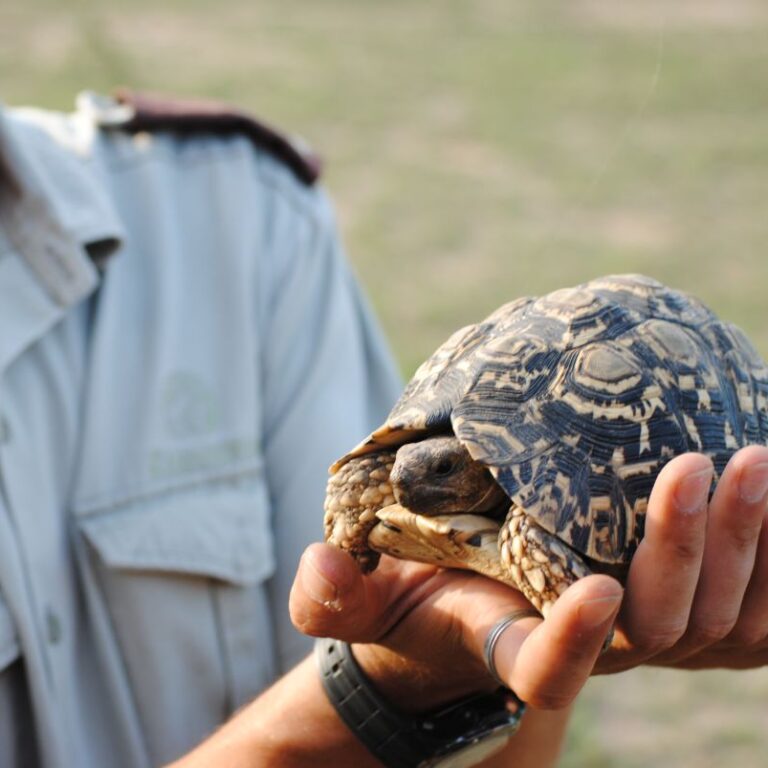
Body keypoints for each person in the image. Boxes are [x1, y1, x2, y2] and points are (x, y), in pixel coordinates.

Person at [0, 91, 767, 768]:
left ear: (472, 476)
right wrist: (387, 690)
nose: (402, 479)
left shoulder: (244, 204)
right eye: (412, 468)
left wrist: (527, 659)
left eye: (438, 474)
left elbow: (530, 669)